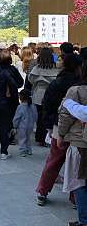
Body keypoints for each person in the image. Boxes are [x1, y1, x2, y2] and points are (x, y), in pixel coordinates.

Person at [35, 54, 83, 206]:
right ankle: (75, 198)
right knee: (77, 166)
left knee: (53, 162)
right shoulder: (80, 85)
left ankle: (42, 191)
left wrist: (49, 126)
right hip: (78, 131)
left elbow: (47, 106)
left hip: (58, 128)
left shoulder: (57, 83)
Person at [58, 63, 87, 226]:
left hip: (80, 142)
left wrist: (61, 135)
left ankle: (84, 221)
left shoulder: (75, 91)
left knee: (79, 181)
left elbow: (65, 115)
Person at [28, 47, 59, 146]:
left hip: (38, 94)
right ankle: (51, 137)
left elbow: (31, 80)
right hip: (52, 94)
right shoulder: (56, 68)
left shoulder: (36, 68)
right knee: (51, 116)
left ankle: (40, 138)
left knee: (40, 118)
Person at [0, 50, 24, 144]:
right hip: (12, 97)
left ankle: (3, 136)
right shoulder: (13, 69)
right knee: (12, 117)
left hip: (0, 96)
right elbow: (20, 82)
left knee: (1, 117)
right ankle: (11, 137)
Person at [13, 89, 38, 157]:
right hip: (30, 125)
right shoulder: (33, 106)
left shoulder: (20, 107)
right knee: (27, 138)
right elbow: (36, 116)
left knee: (22, 138)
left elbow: (17, 118)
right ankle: (29, 149)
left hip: (22, 126)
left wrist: (14, 125)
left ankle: (23, 151)